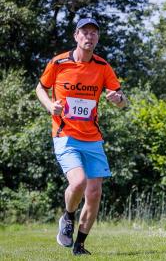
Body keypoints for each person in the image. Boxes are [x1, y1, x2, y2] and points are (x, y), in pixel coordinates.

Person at [36, 17, 127, 255]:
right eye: (85, 32)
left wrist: (118, 100)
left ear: (97, 38)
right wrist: (49, 106)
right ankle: (68, 217)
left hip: (93, 138)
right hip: (65, 134)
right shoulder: (59, 63)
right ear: (76, 36)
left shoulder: (102, 66)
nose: (89, 37)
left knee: (94, 193)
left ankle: (79, 246)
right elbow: (40, 87)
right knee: (78, 182)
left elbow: (121, 99)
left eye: (94, 33)